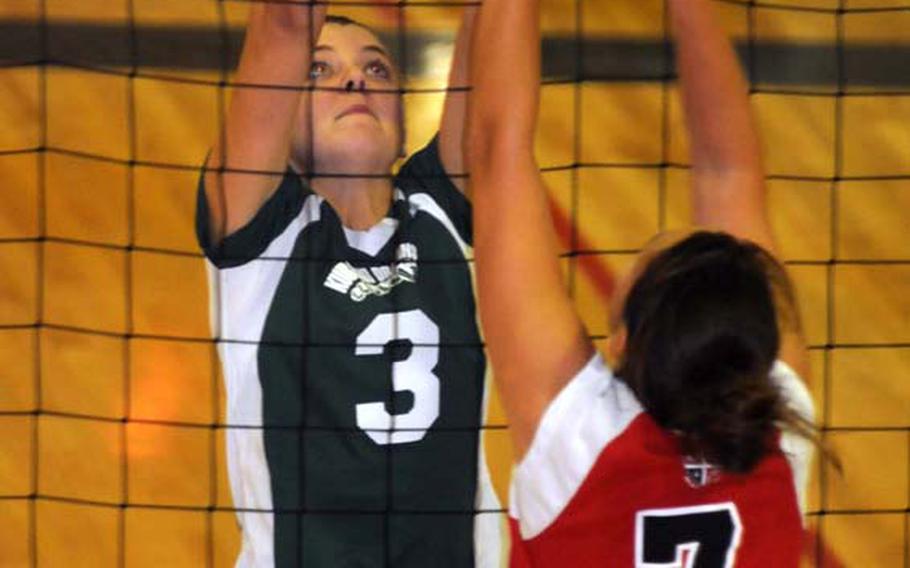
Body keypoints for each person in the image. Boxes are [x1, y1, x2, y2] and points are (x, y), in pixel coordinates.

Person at [469, 0, 817, 565]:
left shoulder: (579, 440)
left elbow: (497, 153)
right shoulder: (779, 436)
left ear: (624, 342)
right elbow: (729, 174)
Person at [195, 4, 504, 566]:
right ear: (281, 112)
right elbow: (286, 21)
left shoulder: (442, 215)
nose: (355, 79)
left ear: (404, 128)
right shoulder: (263, 235)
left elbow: (496, 31)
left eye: (378, 69)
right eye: (319, 70)